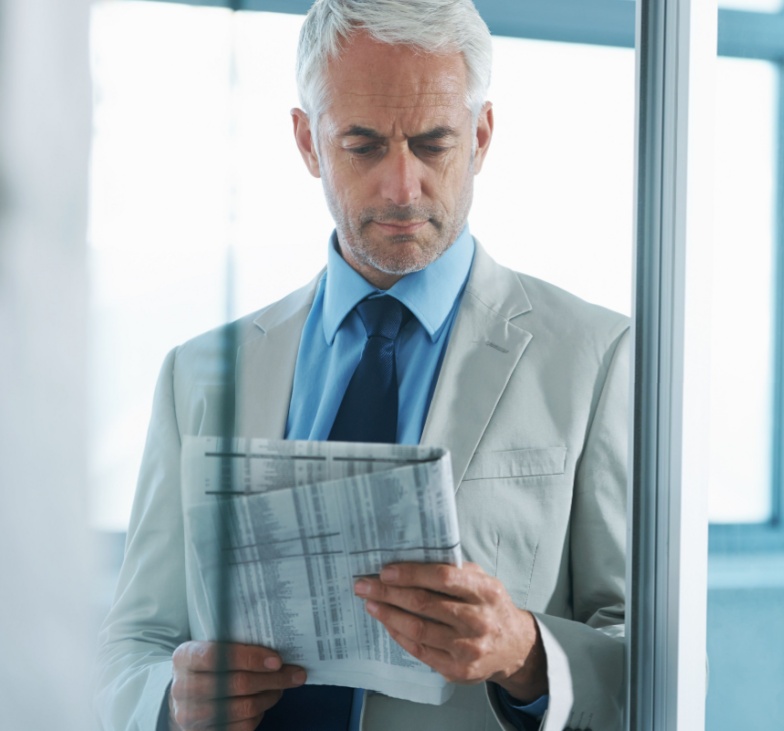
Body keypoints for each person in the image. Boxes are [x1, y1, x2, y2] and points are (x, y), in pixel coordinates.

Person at [95, 1, 629, 730]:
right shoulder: (198, 374)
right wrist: (169, 697)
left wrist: (526, 652)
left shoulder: (597, 359)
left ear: (480, 136)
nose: (402, 188)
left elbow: (654, 664)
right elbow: (135, 641)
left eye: (434, 144)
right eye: (364, 145)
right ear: (307, 143)